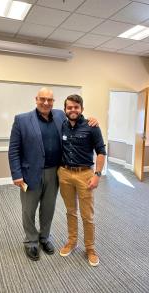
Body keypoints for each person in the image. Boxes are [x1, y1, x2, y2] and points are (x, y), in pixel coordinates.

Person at [8, 87, 98, 261]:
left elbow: (76, 114)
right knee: (28, 210)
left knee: (48, 209)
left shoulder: (59, 115)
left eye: (49, 100)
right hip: (29, 174)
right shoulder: (22, 120)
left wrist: (92, 120)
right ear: (36, 99)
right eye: (42, 99)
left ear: (54, 102)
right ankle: (31, 242)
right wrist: (16, 174)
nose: (46, 103)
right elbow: (14, 150)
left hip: (55, 172)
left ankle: (44, 237)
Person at [58, 94, 106, 267]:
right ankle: (72, 242)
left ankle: (90, 248)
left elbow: (101, 152)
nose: (72, 110)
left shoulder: (91, 126)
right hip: (64, 173)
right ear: (65, 110)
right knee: (70, 211)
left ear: (82, 109)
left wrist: (97, 175)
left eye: (76, 107)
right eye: (69, 107)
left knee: (87, 215)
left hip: (85, 174)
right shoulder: (61, 125)